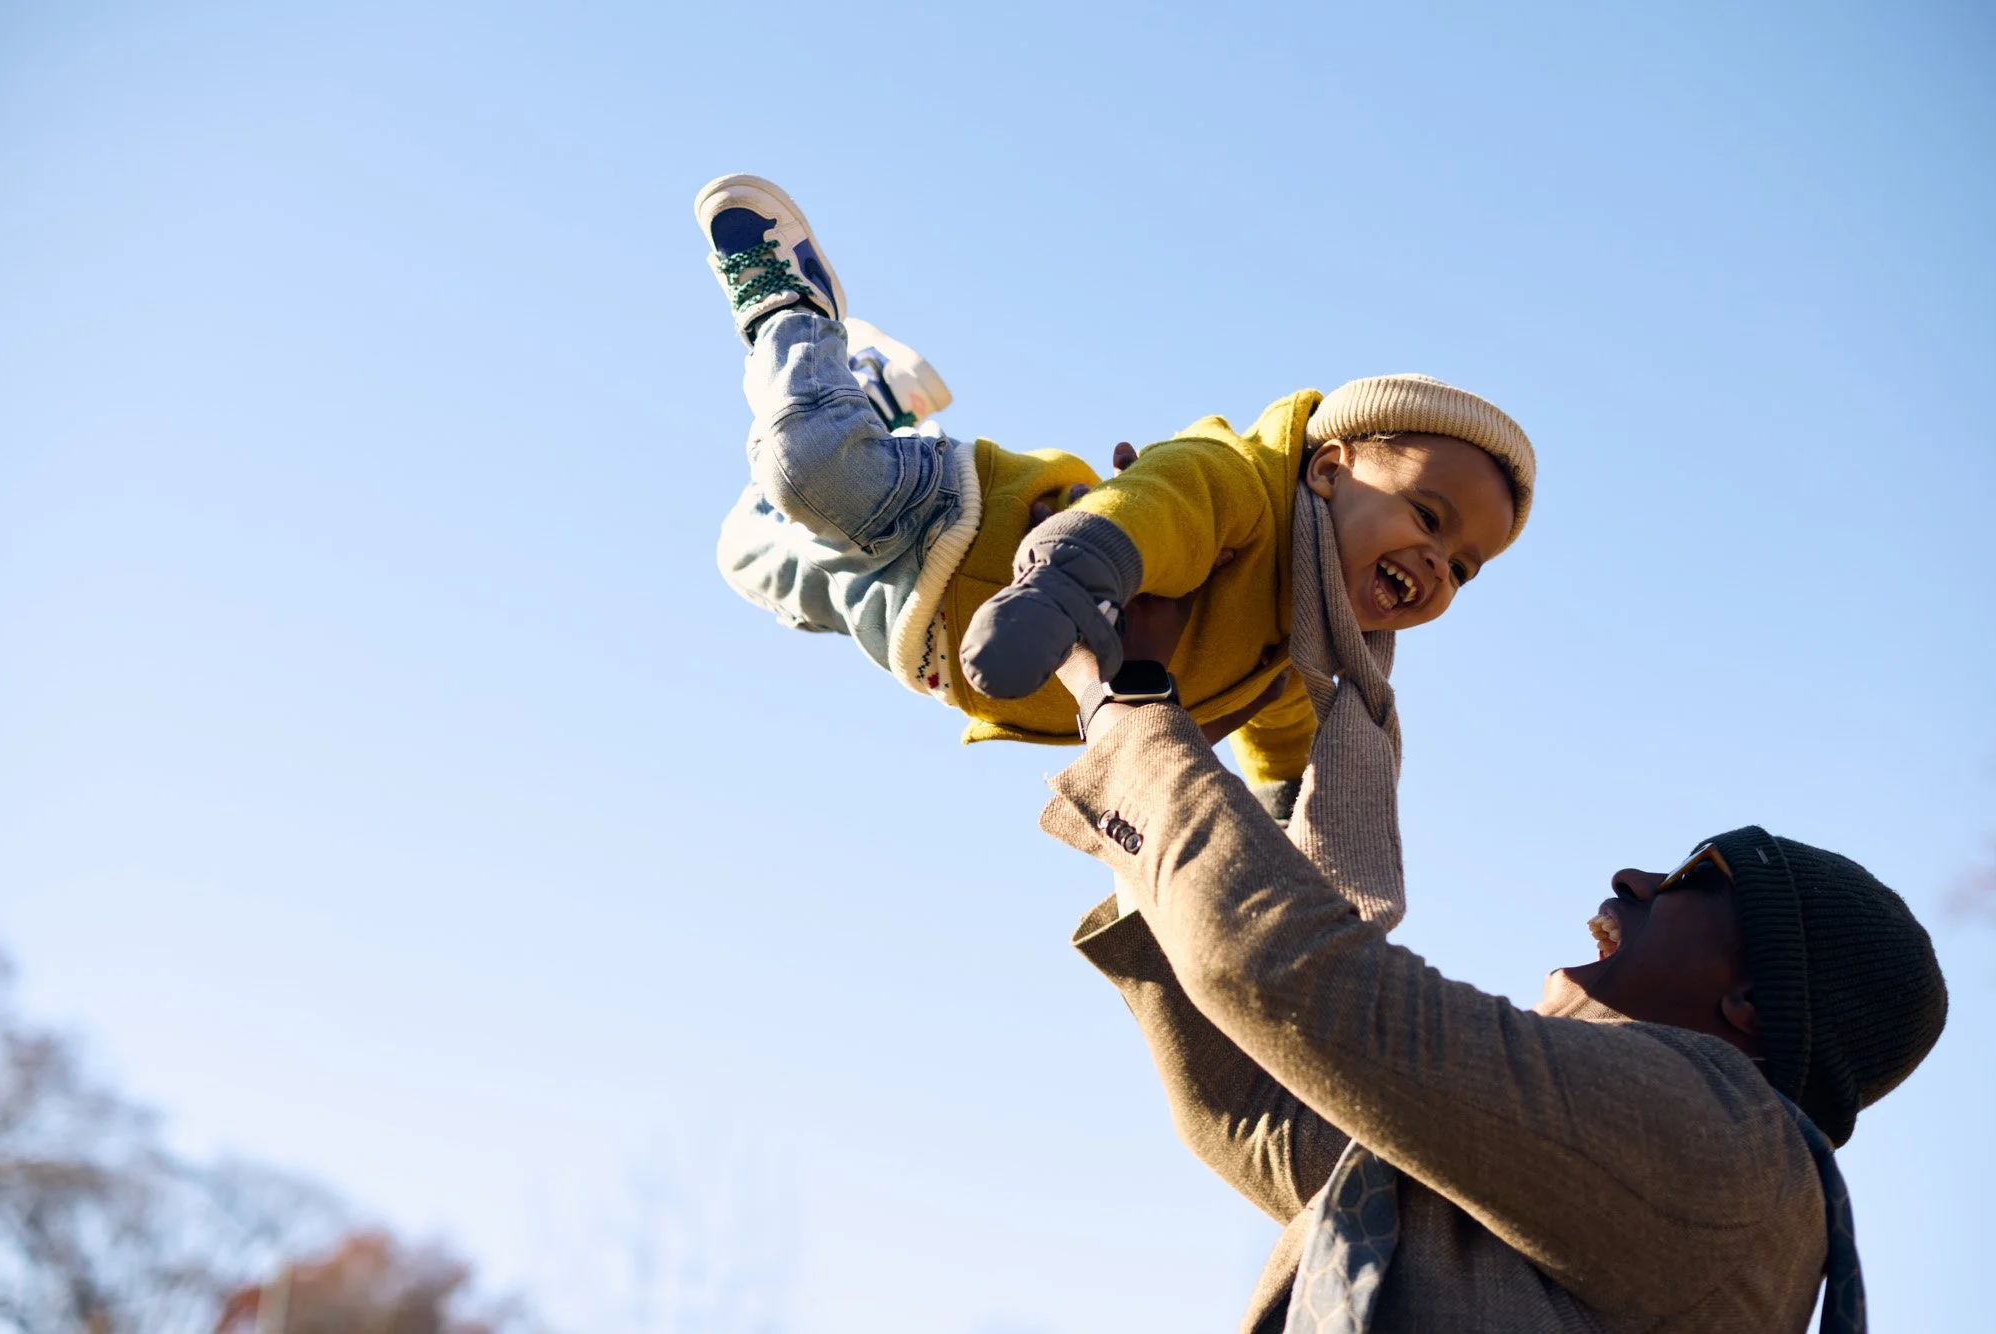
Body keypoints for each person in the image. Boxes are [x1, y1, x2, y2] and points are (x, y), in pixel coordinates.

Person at [1036, 600, 1947, 1333]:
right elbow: (1268, 1113)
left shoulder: (1729, 1145)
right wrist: (1176, 749)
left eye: (1695, 878)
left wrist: (1131, 716)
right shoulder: (1609, 1171)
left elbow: (1304, 985)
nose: (1633, 878)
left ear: (1753, 1001)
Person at [693, 172, 1534, 814]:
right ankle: (792, 310)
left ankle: (878, 394)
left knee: (741, 551)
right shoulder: (1245, 488)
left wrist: (1291, 826)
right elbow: (1156, 508)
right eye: (1429, 516)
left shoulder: (1297, 657)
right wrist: (1066, 581)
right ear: (1329, 469)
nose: (1438, 562)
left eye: (1465, 568)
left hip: (922, 634)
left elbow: (1286, 754)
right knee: (810, 472)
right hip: (963, 522)